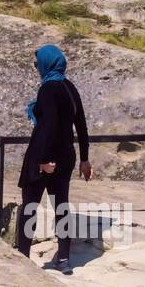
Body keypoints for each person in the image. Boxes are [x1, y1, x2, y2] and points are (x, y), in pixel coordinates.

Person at [16, 45, 92, 274]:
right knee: (62, 207)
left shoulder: (48, 89)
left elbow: (48, 126)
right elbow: (81, 125)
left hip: (46, 158)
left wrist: (42, 161)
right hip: (66, 155)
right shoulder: (69, 87)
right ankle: (64, 260)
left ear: (47, 63)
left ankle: (20, 258)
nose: (35, 66)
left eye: (37, 62)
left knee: (30, 205)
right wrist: (85, 158)